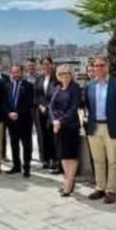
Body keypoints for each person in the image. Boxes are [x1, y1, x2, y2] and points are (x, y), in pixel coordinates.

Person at [83, 56, 116, 204]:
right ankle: (100, 187)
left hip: (111, 127)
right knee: (98, 160)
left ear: (108, 66)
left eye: (102, 65)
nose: (99, 68)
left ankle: (111, 190)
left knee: (113, 161)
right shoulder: (89, 85)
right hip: (94, 127)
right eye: (96, 66)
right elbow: (87, 105)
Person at [50, 65, 82, 196]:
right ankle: (66, 178)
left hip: (71, 127)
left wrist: (60, 121)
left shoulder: (75, 88)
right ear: (58, 76)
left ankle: (70, 181)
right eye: (61, 74)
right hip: (59, 127)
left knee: (71, 155)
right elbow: (51, 107)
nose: (64, 76)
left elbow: (73, 109)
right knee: (63, 155)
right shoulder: (57, 88)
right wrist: (54, 121)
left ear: (71, 74)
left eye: (67, 73)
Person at [5, 64, 35, 177]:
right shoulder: (7, 86)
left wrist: (18, 113)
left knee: (26, 145)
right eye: (13, 72)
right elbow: (4, 102)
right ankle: (16, 166)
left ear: (22, 72)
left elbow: (29, 103)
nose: (15, 74)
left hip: (24, 120)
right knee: (14, 144)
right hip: (11, 121)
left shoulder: (28, 86)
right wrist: (9, 113)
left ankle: (26, 167)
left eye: (17, 72)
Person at [34, 57, 60, 173]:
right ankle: (45, 159)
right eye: (43, 64)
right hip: (40, 111)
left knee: (52, 135)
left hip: (53, 112)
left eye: (48, 64)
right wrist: (40, 106)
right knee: (42, 135)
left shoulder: (56, 78)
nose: (46, 66)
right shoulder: (39, 79)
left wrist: (48, 107)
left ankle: (54, 160)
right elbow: (36, 95)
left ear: (52, 64)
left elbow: (57, 94)